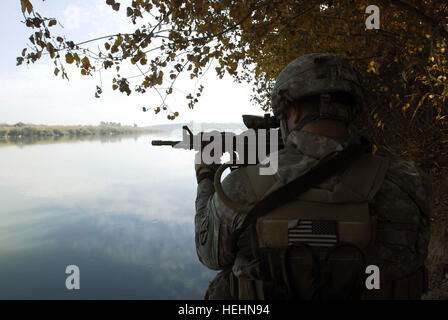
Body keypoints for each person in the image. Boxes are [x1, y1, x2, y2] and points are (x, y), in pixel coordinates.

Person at [194, 53, 432, 300]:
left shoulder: (240, 188)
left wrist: (204, 177)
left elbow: (209, 254)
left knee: (223, 284)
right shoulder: (410, 183)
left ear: (293, 112)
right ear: (352, 110)